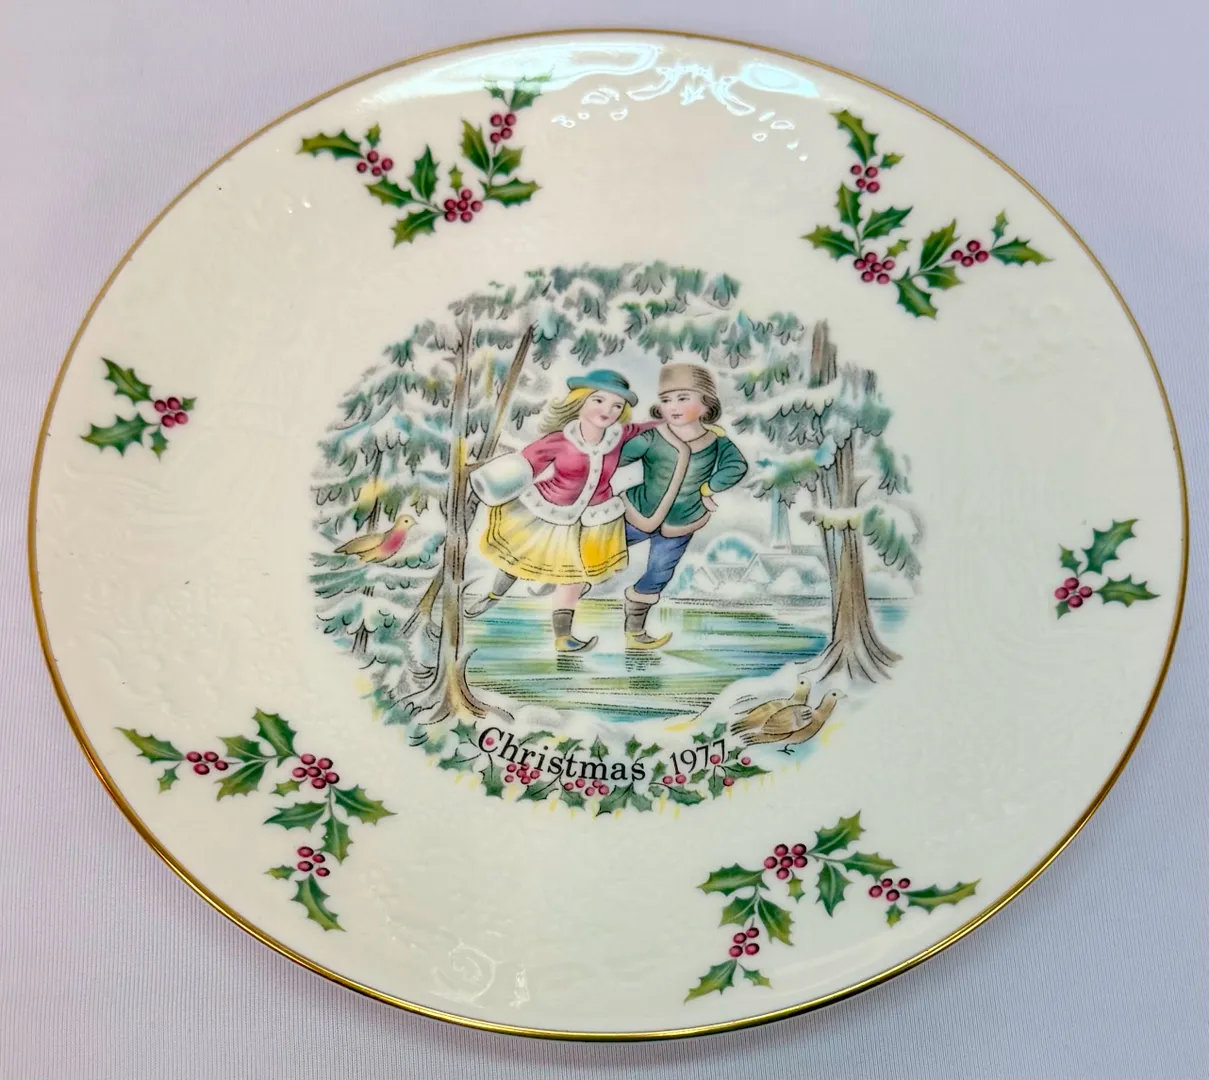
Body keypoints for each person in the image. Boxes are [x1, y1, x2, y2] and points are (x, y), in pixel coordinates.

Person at [466, 370, 687, 653]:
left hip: (595, 520)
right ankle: (494, 594)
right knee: (519, 558)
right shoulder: (557, 440)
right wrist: (488, 482)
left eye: (617, 406)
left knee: (575, 576)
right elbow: (524, 467)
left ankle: (563, 637)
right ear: (579, 401)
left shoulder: (619, 436)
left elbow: (646, 425)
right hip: (551, 512)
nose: (608, 410)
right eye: (599, 401)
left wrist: (674, 415)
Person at [618, 363, 748, 649]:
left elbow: (736, 466)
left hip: (683, 521)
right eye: (666, 400)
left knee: (659, 572)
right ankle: (562, 581)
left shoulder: (717, 442)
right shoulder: (653, 437)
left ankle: (635, 632)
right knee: (596, 548)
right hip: (638, 512)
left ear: (706, 405)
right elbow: (618, 458)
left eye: (683, 398)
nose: (673, 406)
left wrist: (709, 487)